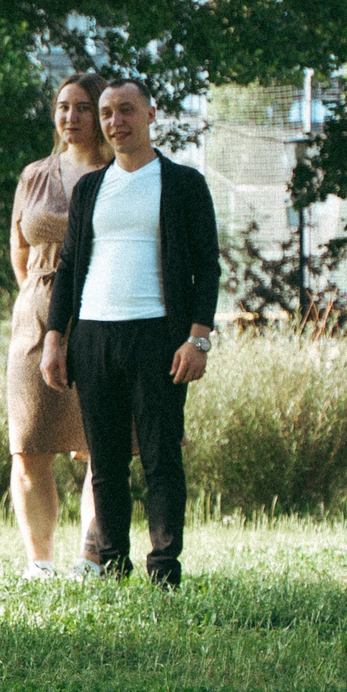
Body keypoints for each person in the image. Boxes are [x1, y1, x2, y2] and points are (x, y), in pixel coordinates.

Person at [40, 79, 219, 587]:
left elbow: (208, 266)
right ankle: (113, 565)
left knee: (162, 458)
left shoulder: (183, 183)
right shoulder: (92, 188)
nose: (116, 122)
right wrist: (56, 336)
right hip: (94, 336)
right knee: (106, 462)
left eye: (126, 111)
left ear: (149, 115)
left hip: (159, 338)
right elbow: (71, 266)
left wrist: (198, 338)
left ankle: (164, 570)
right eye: (108, 113)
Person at [5, 74, 112, 578]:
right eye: (63, 107)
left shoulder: (119, 172)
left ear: (102, 114)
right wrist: (44, 303)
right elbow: (20, 254)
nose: (71, 117)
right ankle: (39, 564)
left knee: (100, 442)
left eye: (84, 107)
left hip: (103, 307)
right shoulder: (33, 175)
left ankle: (91, 559)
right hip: (38, 310)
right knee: (29, 443)